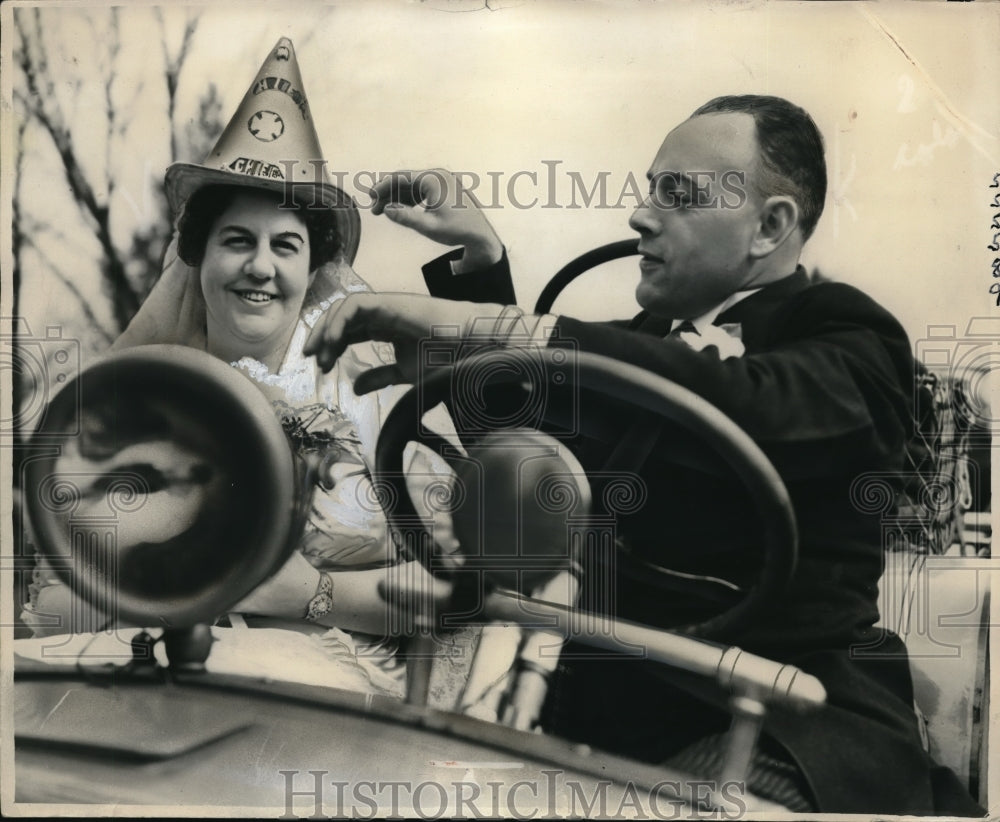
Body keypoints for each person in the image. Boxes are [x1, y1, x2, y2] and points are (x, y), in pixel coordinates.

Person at [303, 96, 985, 814]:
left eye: (680, 196)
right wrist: (481, 265)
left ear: (772, 226)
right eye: (649, 189)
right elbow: (538, 463)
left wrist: (493, 327)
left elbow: (752, 403)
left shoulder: (851, 337)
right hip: (603, 715)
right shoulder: (642, 344)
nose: (640, 215)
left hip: (789, 722)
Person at [21, 38, 457, 698]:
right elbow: (64, 590)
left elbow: (453, 592)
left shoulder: (367, 385)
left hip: (337, 680)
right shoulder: (153, 390)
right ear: (199, 259)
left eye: (285, 246)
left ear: (312, 271)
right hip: (167, 667)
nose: (260, 267)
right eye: (236, 241)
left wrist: (311, 593)